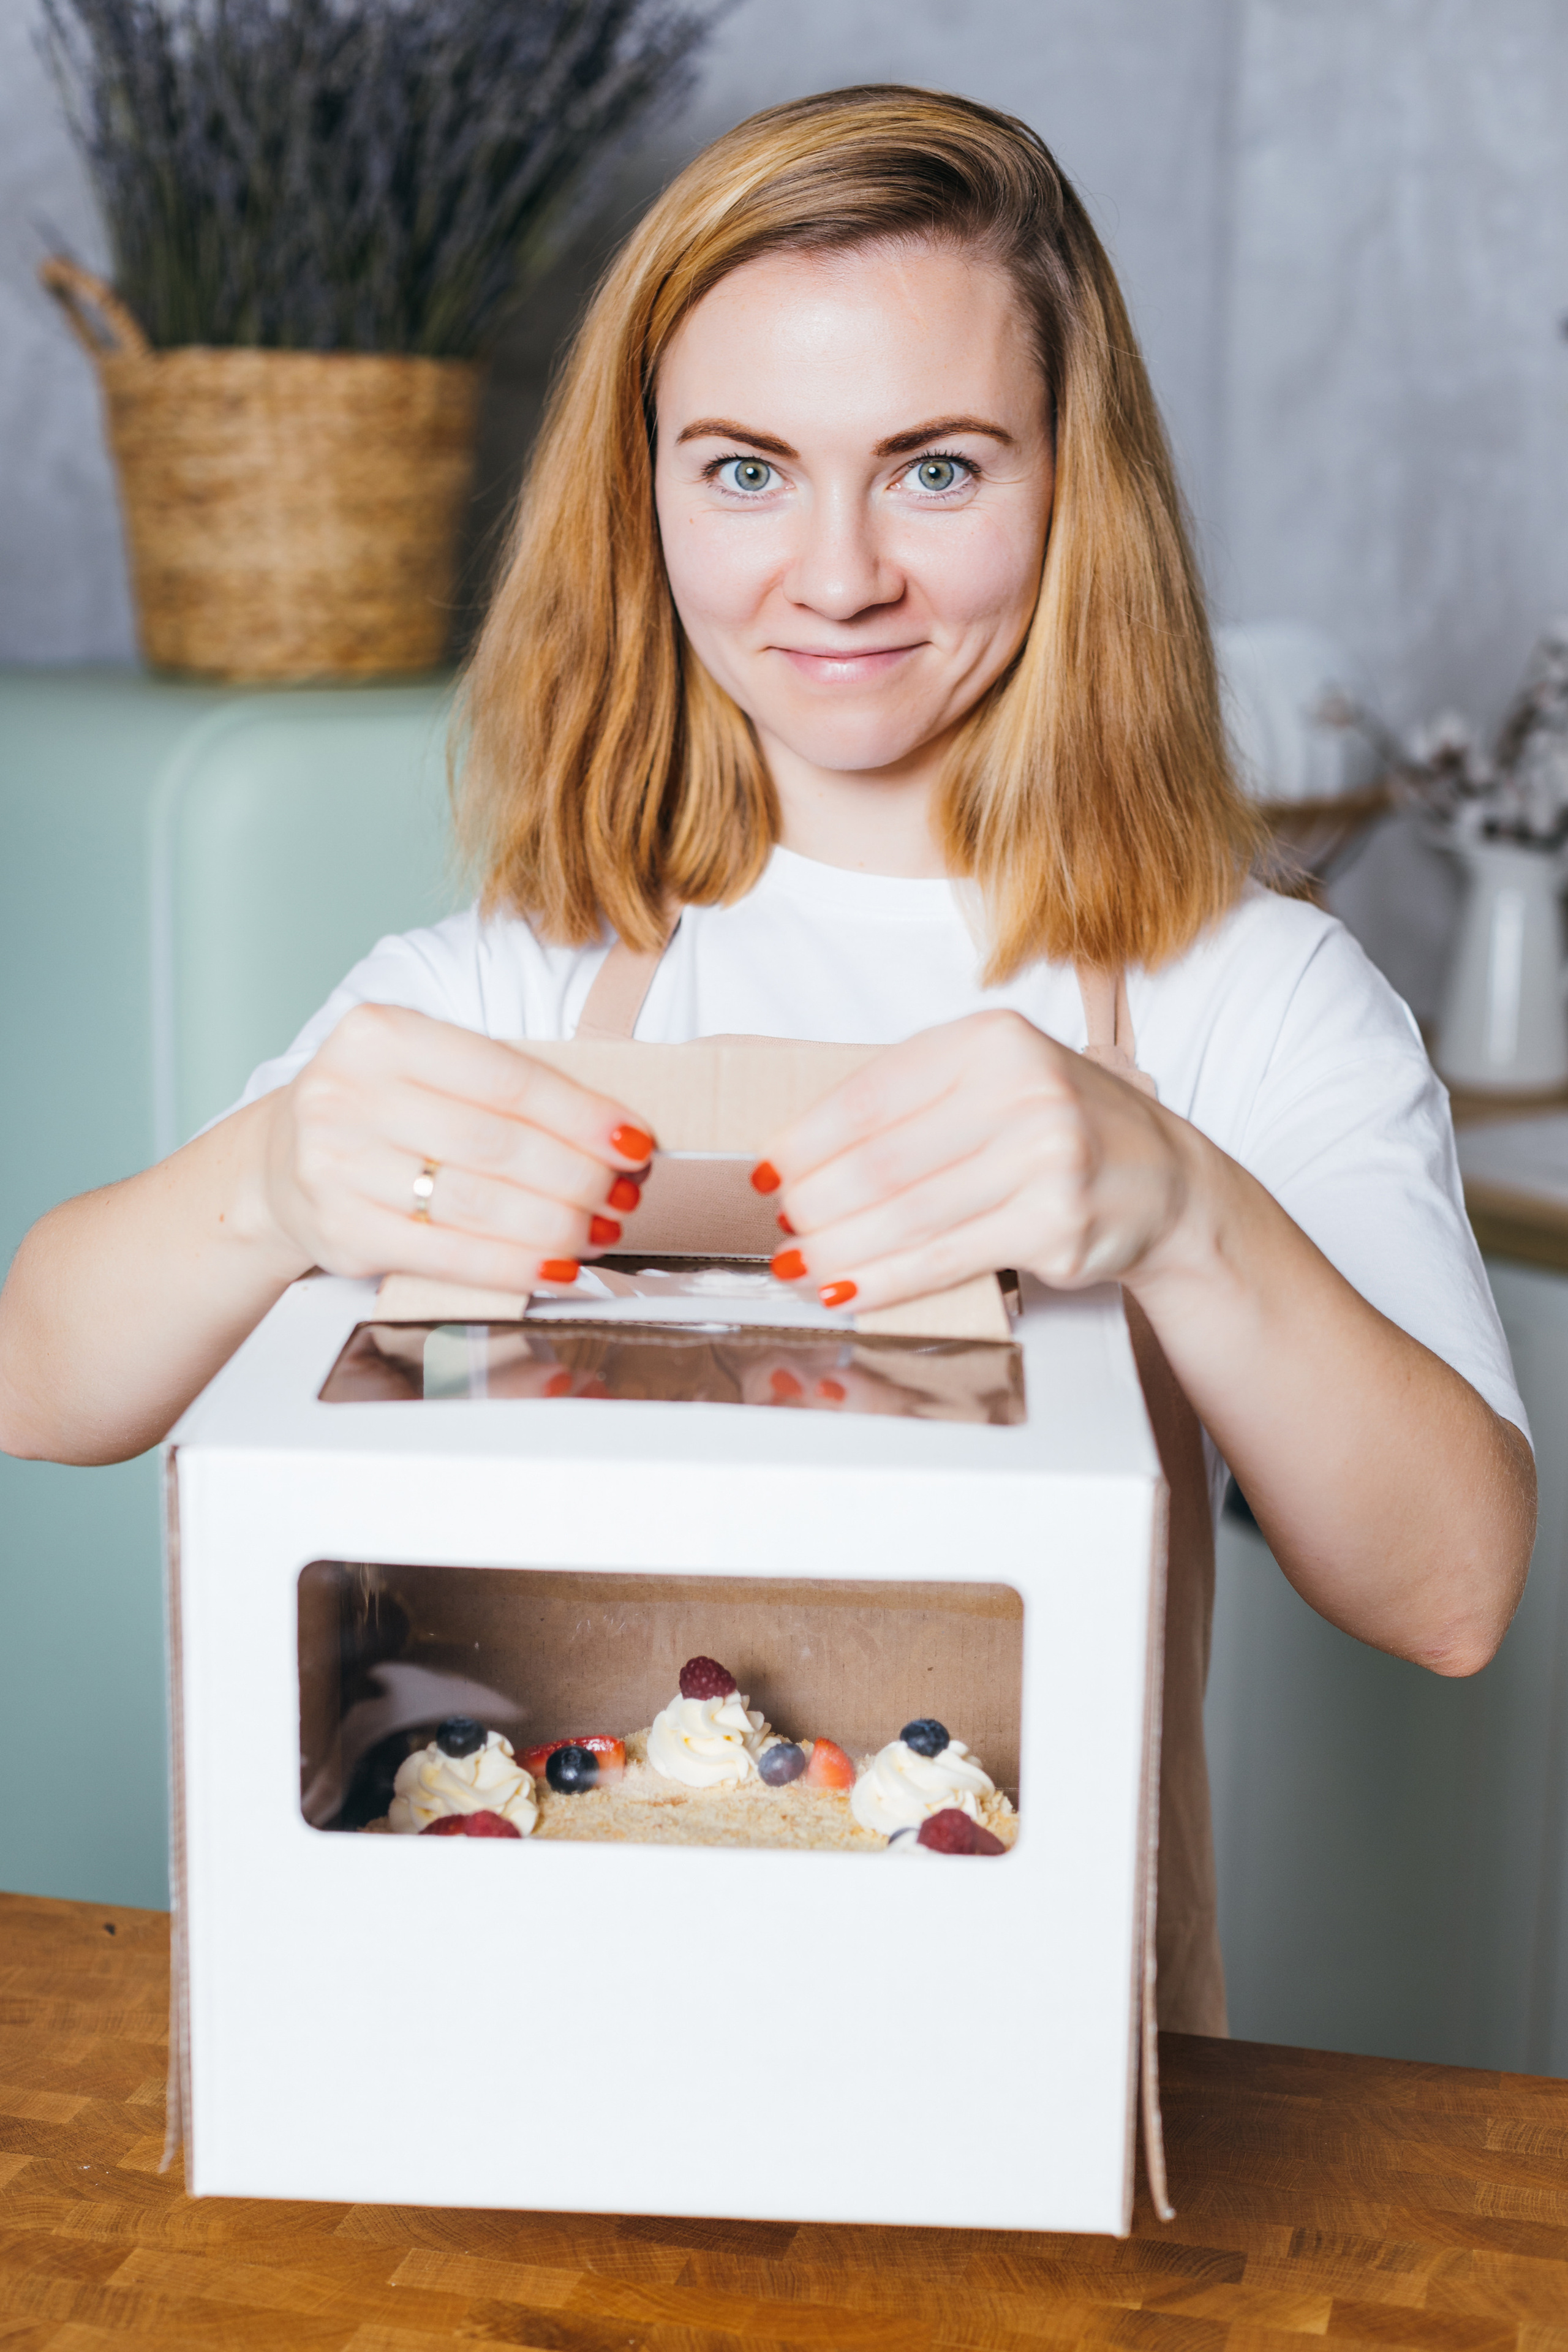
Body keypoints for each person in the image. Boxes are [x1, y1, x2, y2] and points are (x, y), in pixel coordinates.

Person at [0, 88, 1533, 2030]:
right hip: (507, 2033)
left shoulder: (1251, 999)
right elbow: (41, 1378)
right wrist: (277, 1175)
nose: (835, 575)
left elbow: (1455, 1591)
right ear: (642, 490)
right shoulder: (514, 982)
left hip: (1017, 2065)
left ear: (1077, 487)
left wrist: (1177, 1206)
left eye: (938, 469)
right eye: (745, 471)